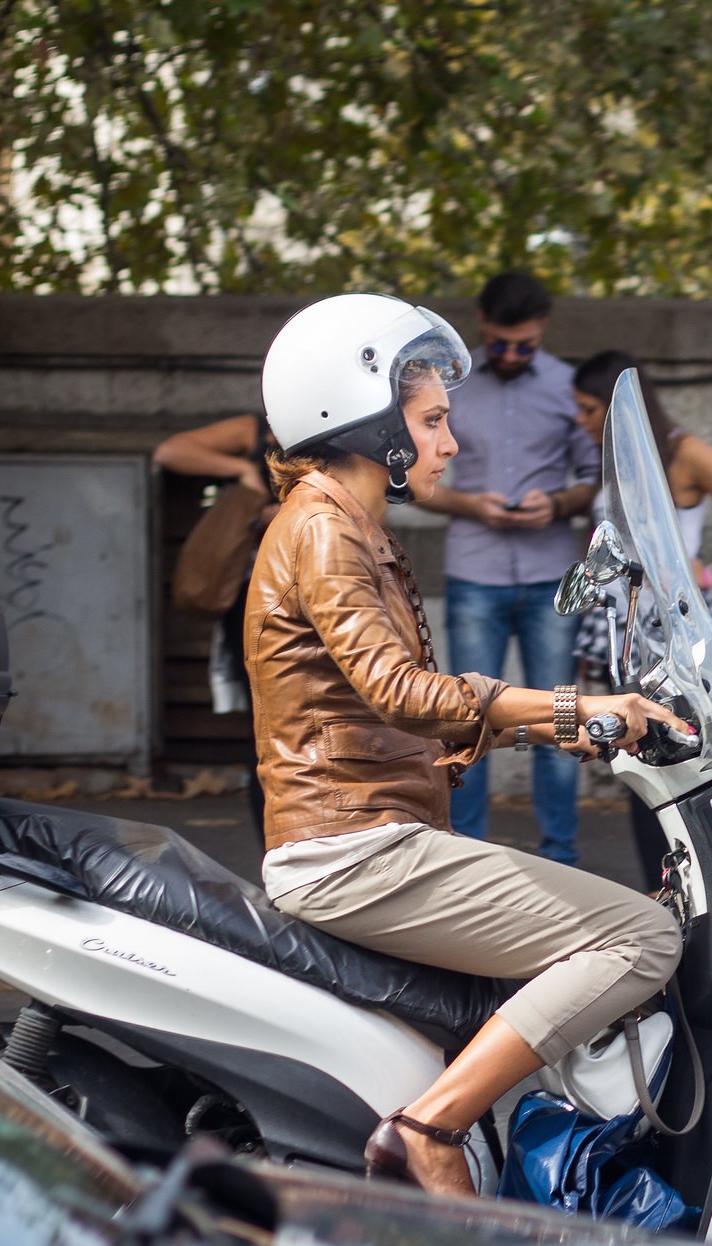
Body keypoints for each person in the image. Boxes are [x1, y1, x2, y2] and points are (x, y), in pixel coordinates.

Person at [248, 293, 684, 1196]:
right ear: (367, 421)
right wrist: (565, 709)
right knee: (640, 938)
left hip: (373, 831)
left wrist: (572, 730)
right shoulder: (325, 529)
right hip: (352, 849)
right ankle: (428, 1125)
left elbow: (398, 724)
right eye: (434, 420)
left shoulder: (352, 525)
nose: (453, 442)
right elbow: (402, 696)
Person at [571, 350, 712, 890]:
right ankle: (666, 891)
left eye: (590, 408)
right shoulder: (622, 459)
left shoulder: (684, 452)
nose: (582, 419)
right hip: (627, 629)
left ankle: (710, 886)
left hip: (678, 631)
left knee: (686, 754)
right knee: (639, 758)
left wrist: (711, 573)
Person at [418, 270, 598, 865]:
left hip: (553, 579)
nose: (513, 355)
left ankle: (561, 857)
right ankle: (465, 855)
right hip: (476, 572)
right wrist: (471, 504)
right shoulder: (448, 386)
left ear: (542, 329)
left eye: (525, 344)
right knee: (467, 720)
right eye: (501, 344)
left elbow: (597, 478)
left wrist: (560, 503)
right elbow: (417, 481)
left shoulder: (569, 386)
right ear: (480, 326)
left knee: (562, 719)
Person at [152, 414, 278, 842]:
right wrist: (242, 471)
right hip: (254, 599)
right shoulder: (254, 432)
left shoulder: (339, 435)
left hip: (315, 589)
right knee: (265, 728)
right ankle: (273, 846)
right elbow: (170, 451)